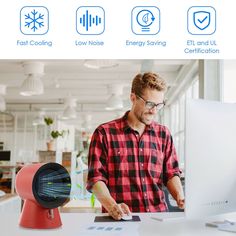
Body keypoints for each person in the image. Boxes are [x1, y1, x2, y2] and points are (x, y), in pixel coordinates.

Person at [86, 72, 185, 220]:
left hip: (158, 219)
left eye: (159, 105)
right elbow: (95, 179)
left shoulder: (163, 134)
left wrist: (180, 196)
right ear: (133, 98)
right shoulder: (104, 133)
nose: (154, 110)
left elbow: (171, 172)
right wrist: (113, 206)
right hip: (121, 219)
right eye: (150, 104)